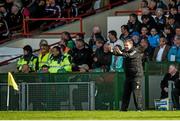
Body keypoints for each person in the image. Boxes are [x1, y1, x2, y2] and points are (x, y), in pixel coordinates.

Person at [110, 39, 143, 111]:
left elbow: (129, 56)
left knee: (136, 93)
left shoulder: (136, 51)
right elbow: (118, 53)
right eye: (125, 45)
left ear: (131, 45)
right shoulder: (125, 51)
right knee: (126, 93)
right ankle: (123, 109)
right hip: (128, 76)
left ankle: (139, 109)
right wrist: (112, 51)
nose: (126, 47)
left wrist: (120, 52)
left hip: (136, 75)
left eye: (127, 45)